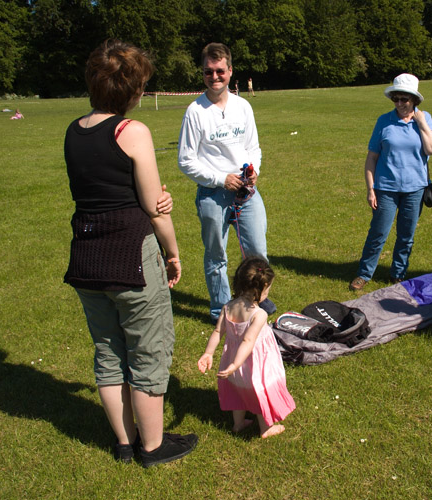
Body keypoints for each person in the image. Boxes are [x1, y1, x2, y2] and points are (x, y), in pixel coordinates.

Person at [63, 39, 197, 466]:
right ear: (131, 89)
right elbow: (154, 209)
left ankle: (125, 443)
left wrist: (153, 199)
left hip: (86, 258)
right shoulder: (131, 131)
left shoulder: (73, 130)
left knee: (108, 351)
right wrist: (173, 253)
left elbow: (104, 190)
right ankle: (152, 447)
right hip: (130, 257)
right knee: (148, 351)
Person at [178, 43, 273, 323]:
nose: (214, 76)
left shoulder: (243, 106)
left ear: (230, 71)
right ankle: (221, 310)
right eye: (208, 71)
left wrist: (254, 170)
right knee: (216, 255)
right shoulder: (195, 111)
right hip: (212, 194)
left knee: (258, 253)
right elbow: (186, 160)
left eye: (220, 71)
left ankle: (255, 302)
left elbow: (253, 147)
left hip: (246, 192)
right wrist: (221, 179)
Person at [349, 73, 432, 291]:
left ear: (414, 100)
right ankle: (364, 273)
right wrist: (370, 189)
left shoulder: (425, 119)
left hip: (415, 188)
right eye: (395, 99)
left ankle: (398, 274)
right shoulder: (384, 121)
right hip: (385, 188)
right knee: (378, 233)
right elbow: (372, 157)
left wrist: (421, 123)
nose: (399, 104)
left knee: (406, 236)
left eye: (404, 99)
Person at [197, 257, 295, 438]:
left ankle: (238, 423)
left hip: (234, 361)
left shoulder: (228, 307)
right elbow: (248, 341)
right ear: (261, 289)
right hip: (255, 362)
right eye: (268, 289)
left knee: (238, 390)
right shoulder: (259, 314)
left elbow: (218, 331)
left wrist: (208, 353)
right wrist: (236, 364)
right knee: (260, 390)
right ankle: (266, 428)